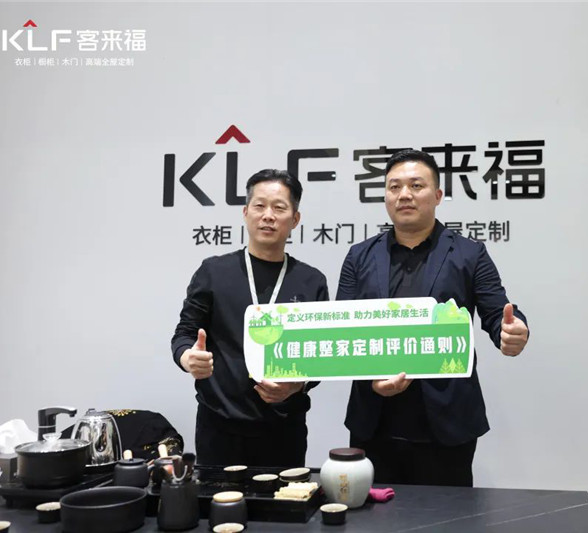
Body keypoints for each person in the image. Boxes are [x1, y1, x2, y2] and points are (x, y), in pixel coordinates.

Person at [336, 149, 529, 487]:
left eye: (416, 185)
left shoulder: (470, 253)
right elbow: (342, 330)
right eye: (394, 187)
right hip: (374, 420)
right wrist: (371, 380)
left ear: (438, 195)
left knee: (448, 514)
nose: (404, 195)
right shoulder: (359, 256)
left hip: (447, 422)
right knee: (372, 515)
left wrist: (512, 330)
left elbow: (497, 311)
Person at [172, 169, 329, 466]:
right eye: (259, 206)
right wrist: (188, 357)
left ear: (295, 219)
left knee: (283, 497)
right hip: (220, 427)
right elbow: (184, 334)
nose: (268, 215)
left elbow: (320, 356)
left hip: (285, 428)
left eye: (279, 208)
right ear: (245, 213)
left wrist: (297, 385)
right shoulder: (214, 272)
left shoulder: (311, 281)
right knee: (218, 498)